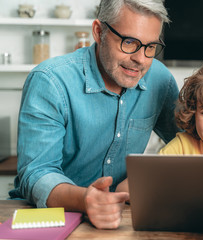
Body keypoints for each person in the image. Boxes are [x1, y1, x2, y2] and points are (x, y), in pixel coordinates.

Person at [10, 0, 179, 229]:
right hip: (52, 217)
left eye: (150, 47)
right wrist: (85, 199)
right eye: (129, 42)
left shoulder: (160, 79)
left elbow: (191, 144)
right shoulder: (50, 80)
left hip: (122, 219)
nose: (141, 59)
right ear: (99, 32)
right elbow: (37, 172)